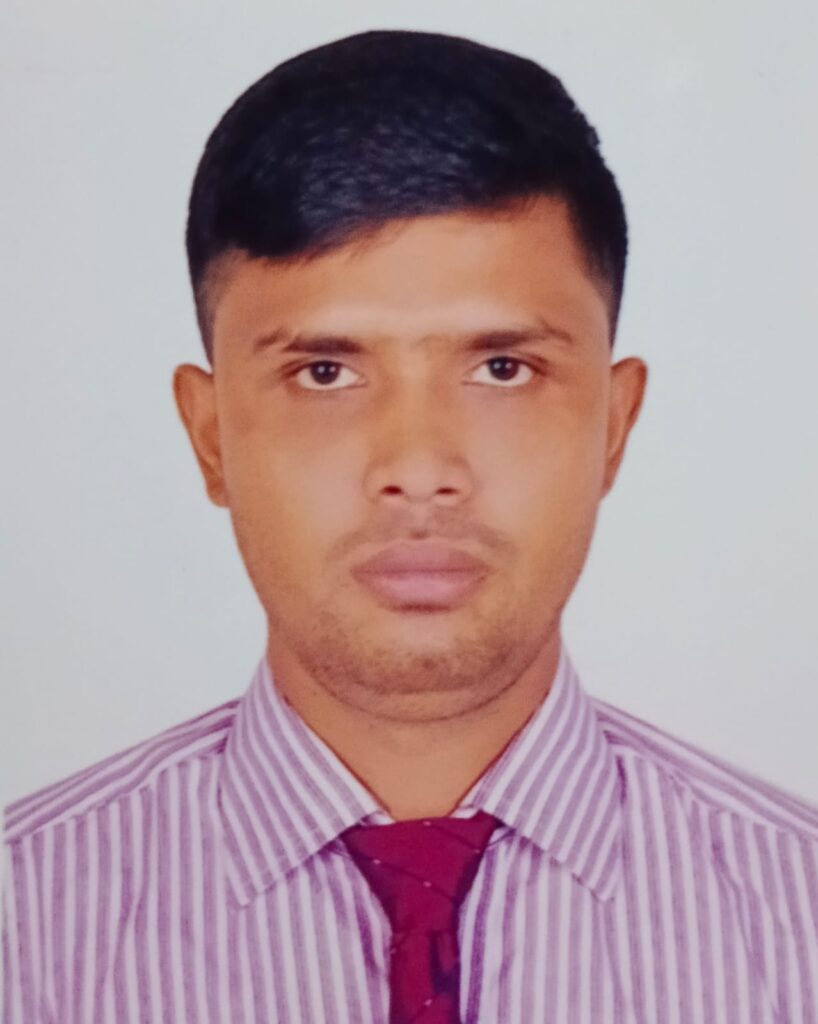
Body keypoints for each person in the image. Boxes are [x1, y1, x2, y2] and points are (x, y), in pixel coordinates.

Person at [3, 28, 817, 1024]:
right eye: (325, 373)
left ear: (614, 426)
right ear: (210, 438)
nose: (420, 470)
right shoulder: (24, 928)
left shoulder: (798, 916)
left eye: (501, 369)